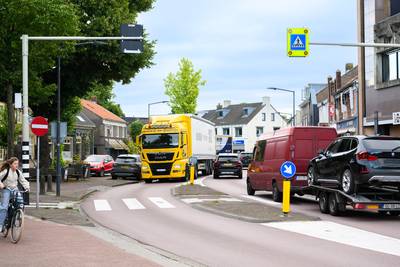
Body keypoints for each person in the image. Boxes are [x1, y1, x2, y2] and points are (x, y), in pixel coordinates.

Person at [0, 157, 30, 230]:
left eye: (17, 164)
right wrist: (1, 184)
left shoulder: (18, 172)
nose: (16, 165)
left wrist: (27, 187)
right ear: (10, 165)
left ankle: (17, 215)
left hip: (15, 189)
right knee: (4, 207)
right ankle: (1, 224)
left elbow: (23, 181)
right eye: (15, 164)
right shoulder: (6, 171)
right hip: (6, 189)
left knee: (20, 203)